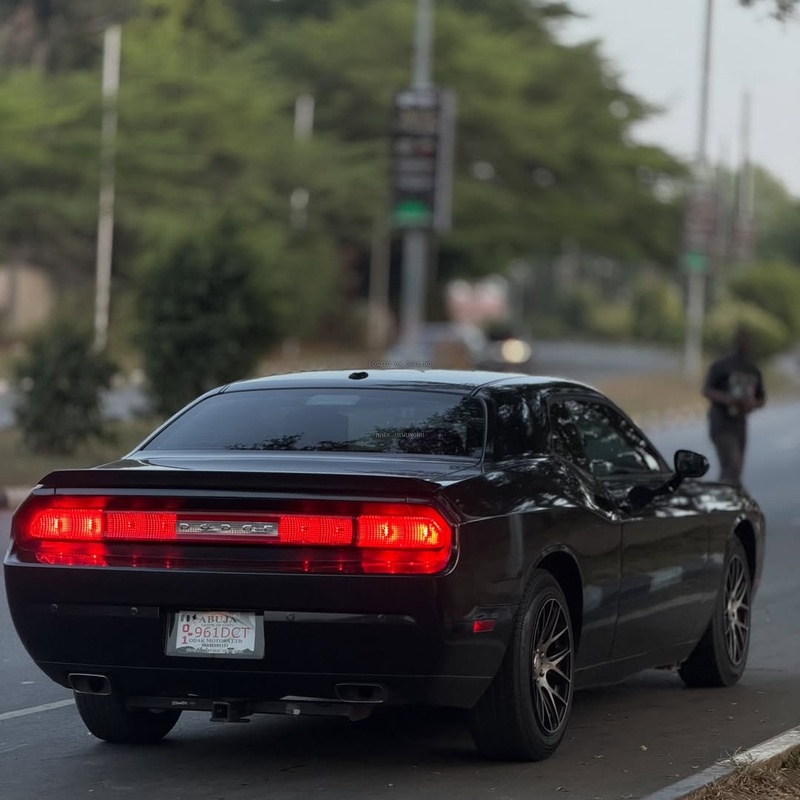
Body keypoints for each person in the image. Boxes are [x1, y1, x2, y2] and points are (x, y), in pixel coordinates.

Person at [702, 326, 766, 485]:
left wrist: (752, 404)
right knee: (731, 464)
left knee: (736, 470)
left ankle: (729, 498)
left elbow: (761, 398)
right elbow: (707, 389)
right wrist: (726, 398)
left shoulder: (753, 370)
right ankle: (725, 499)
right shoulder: (721, 366)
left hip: (739, 423)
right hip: (721, 422)